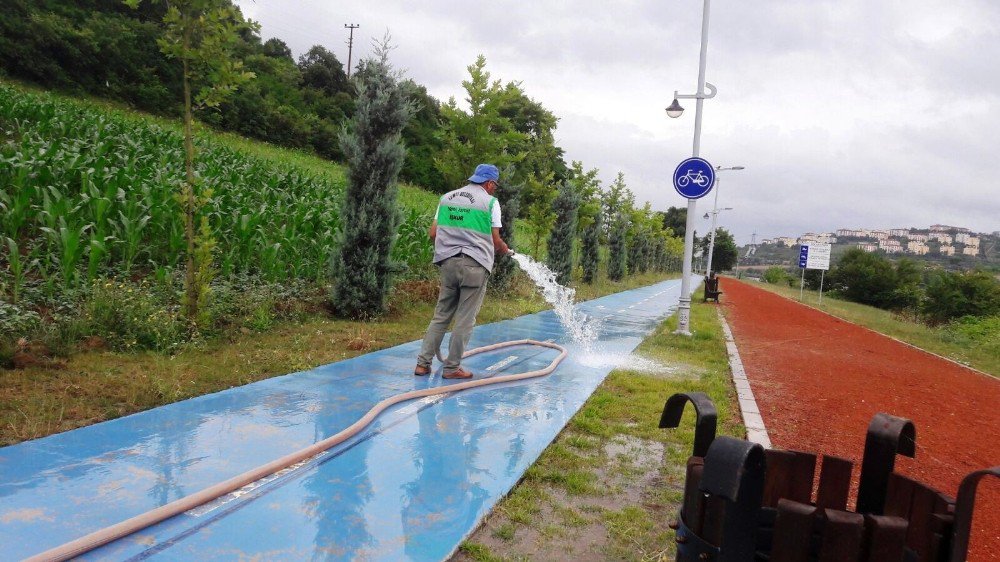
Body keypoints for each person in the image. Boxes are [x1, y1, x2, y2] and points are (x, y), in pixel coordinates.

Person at [414, 163, 513, 379]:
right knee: (465, 320)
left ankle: (422, 364)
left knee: (441, 316)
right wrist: (505, 249)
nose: (494, 189)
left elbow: (433, 234)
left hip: (448, 263)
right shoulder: (490, 203)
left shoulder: (446, 198)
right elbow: (496, 241)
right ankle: (451, 368)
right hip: (475, 266)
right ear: (489, 183)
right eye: (494, 185)